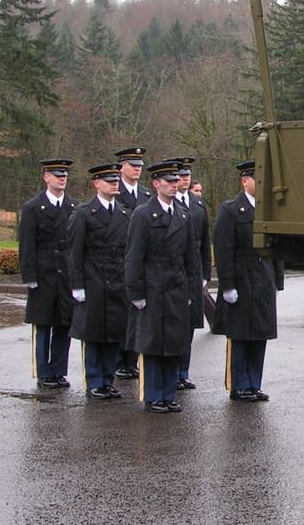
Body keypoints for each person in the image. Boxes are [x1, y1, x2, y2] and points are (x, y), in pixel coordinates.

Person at [123, 160, 200, 413]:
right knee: (153, 344)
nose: (174, 185)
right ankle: (153, 395)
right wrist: (136, 292)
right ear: (156, 184)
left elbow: (191, 256)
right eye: (169, 181)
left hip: (176, 286)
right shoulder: (143, 214)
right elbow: (134, 256)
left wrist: (191, 289)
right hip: (153, 284)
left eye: (176, 181)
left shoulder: (183, 214)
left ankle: (168, 393)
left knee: (174, 343)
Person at [213, 160, 283, 402]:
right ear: (245, 181)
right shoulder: (231, 209)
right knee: (240, 334)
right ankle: (238, 384)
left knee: (260, 334)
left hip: (263, 276)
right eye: (257, 178)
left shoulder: (269, 208)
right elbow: (223, 250)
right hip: (241, 276)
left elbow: (276, 245)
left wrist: (277, 280)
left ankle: (254, 383)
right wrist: (228, 285)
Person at [66, 163, 130, 400]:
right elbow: (74, 252)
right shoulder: (83, 213)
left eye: (116, 180)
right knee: (94, 334)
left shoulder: (124, 213)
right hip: (93, 279)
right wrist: (77, 284)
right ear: (96, 184)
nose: (114, 184)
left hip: (117, 279)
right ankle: (94, 381)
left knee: (113, 332)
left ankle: (107, 379)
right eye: (109, 181)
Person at [19, 159, 78, 388]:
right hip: (43, 273)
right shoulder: (33, 207)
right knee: (43, 325)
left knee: (64, 324)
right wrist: (30, 276)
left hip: (65, 274)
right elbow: (27, 244)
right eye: (57, 175)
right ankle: (43, 372)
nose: (61, 178)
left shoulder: (74, 207)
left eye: (64, 175)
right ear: (46, 177)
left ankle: (58, 370)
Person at [166, 156, 211, 390]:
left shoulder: (198, 204)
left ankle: (183, 372)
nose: (185, 179)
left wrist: (205, 273)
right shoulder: (168, 202)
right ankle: (171, 372)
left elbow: (204, 241)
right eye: (181, 176)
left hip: (193, 269)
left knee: (191, 324)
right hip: (174, 267)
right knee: (174, 323)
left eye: (187, 175)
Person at [112, 145, 151, 380]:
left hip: (141, 261)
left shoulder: (146, 195)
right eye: (132, 166)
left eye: (139, 167)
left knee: (138, 313)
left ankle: (132, 359)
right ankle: (118, 360)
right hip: (119, 259)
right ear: (121, 168)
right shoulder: (114, 193)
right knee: (120, 313)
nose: (137, 170)